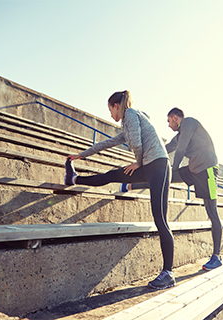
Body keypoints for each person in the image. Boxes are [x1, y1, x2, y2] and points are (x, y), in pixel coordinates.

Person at [64, 90, 175, 289]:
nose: (111, 115)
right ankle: (74, 178)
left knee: (160, 219)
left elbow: (139, 144)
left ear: (117, 106)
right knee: (113, 175)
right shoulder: (127, 123)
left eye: (110, 110)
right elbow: (107, 143)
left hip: (157, 166)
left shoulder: (131, 114)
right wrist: (81, 155)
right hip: (148, 166)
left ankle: (168, 273)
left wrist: (137, 163)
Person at [121, 107, 223, 270]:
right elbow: (165, 148)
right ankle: (131, 185)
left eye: (169, 121)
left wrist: (174, 167)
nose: (168, 125)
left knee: (212, 212)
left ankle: (217, 256)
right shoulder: (179, 136)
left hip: (207, 170)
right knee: (162, 178)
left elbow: (181, 149)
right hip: (194, 169)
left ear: (175, 118)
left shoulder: (189, 123)